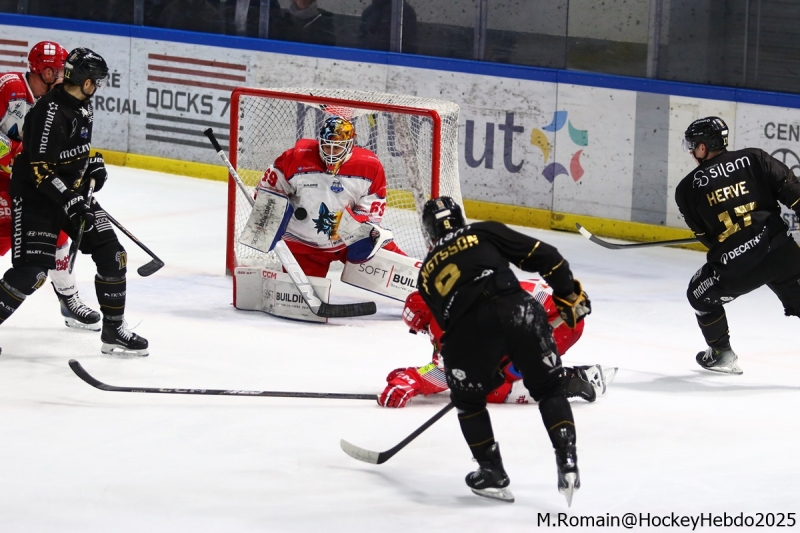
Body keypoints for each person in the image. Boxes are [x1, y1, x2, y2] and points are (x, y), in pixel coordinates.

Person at [415, 196, 591, 505]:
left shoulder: (425, 275)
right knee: (549, 389)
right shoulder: (483, 231)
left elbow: (451, 330)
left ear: (429, 233)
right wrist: (567, 293)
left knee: (469, 403)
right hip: (518, 310)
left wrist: (485, 371)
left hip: (468, 334)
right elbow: (548, 257)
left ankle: (492, 472)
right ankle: (568, 461)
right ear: (461, 219)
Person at [0, 47, 148, 356]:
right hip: (37, 199)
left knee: (113, 254)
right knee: (33, 273)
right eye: (95, 80)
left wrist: (92, 164)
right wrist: (70, 199)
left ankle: (114, 330)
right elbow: (40, 170)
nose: (97, 86)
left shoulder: (84, 108)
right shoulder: (47, 112)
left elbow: (74, 152)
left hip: (70, 195)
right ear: (82, 80)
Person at [676, 116, 800, 375]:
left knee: (698, 296)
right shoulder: (754, 158)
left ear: (702, 147)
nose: (690, 151)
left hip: (738, 267)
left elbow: (707, 238)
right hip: (781, 252)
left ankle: (722, 353)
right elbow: (794, 191)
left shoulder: (687, 188)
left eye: (692, 145)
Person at [380, 282, 616, 407]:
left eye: (420, 327)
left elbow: (449, 373)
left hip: (558, 323)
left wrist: (413, 380)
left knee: (494, 387)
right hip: (566, 313)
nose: (424, 332)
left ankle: (571, 380)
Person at [0, 41, 102, 331]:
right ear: (44, 72)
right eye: (58, 71)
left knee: (56, 233)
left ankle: (68, 299)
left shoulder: (62, 100)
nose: (63, 76)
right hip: (4, 178)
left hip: (33, 181)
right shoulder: (8, 87)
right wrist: (15, 153)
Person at [254, 115, 403, 278]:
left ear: (350, 145)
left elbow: (372, 210)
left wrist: (361, 232)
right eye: (326, 146)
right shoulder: (295, 158)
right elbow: (266, 191)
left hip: (346, 242)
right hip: (303, 244)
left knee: (406, 271)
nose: (331, 153)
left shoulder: (369, 167)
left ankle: (424, 287)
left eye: (337, 148)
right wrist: (270, 220)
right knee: (304, 299)